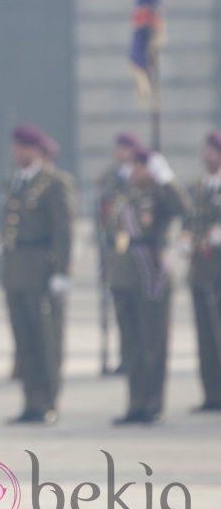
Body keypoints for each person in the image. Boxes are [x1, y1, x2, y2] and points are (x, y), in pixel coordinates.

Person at [104, 149, 188, 424]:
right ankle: (135, 403)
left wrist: (167, 179)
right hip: (125, 276)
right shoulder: (126, 195)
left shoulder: (161, 195)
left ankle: (153, 404)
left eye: (141, 167)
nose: (135, 172)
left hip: (151, 275)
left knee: (153, 344)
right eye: (134, 166)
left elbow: (183, 209)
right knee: (132, 346)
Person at [0, 125, 74, 424]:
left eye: (25, 147)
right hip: (16, 270)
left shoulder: (55, 183)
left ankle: (48, 400)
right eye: (16, 147)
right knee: (24, 341)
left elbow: (63, 229)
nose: (19, 153)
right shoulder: (14, 183)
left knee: (46, 340)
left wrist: (61, 270)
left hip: (42, 269)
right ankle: (31, 399)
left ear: (38, 150)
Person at [96, 132, 144, 375]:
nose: (119, 153)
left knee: (137, 314)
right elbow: (103, 213)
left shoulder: (141, 177)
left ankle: (135, 357)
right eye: (117, 148)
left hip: (136, 255)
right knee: (119, 311)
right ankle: (123, 356)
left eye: (124, 148)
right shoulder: (111, 179)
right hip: (114, 251)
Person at [186, 130, 221, 413]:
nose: (207, 155)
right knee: (205, 335)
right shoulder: (198, 187)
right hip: (201, 269)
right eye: (206, 150)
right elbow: (190, 220)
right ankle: (211, 392)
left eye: (213, 151)